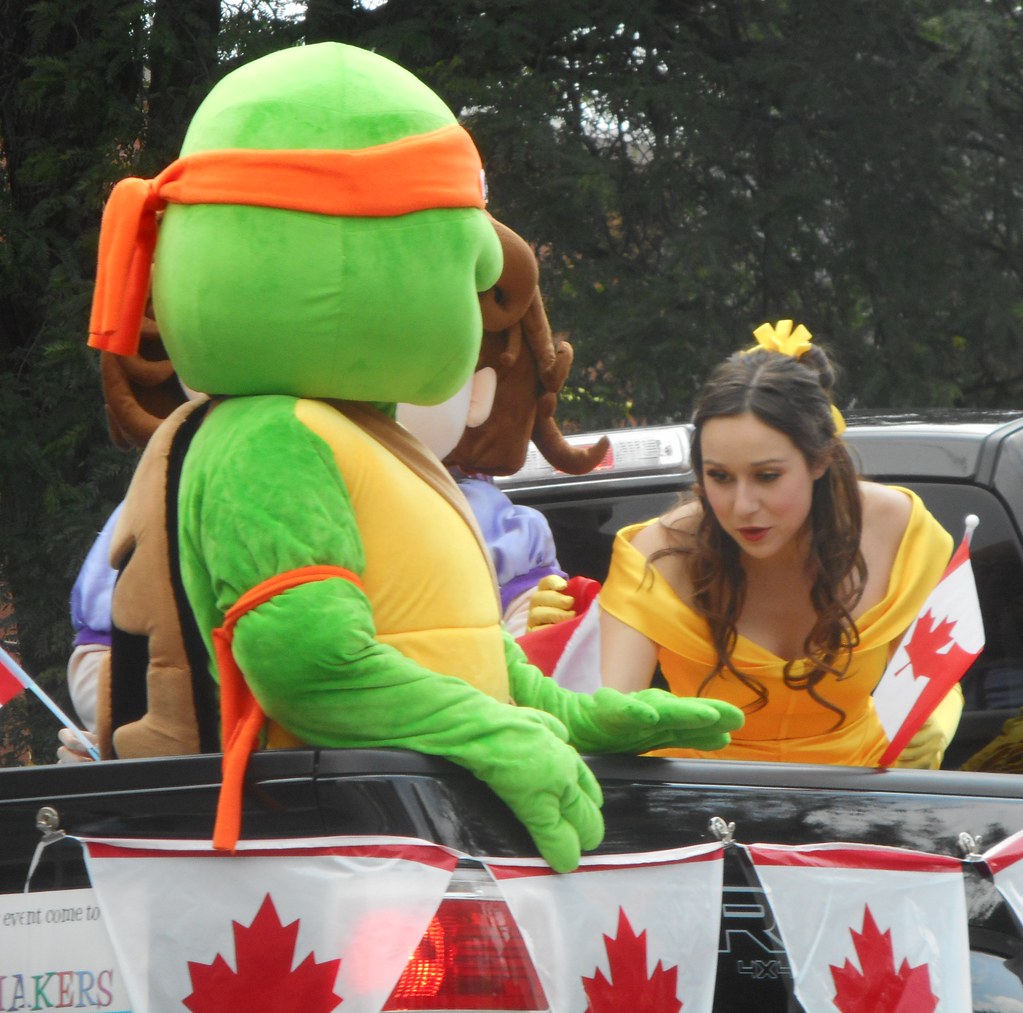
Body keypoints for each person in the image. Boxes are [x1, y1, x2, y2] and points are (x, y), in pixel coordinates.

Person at [541, 320, 962, 768]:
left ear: (820, 459)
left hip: (861, 805)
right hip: (705, 811)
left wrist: (936, 716)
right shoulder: (658, 553)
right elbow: (607, 720)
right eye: (719, 477)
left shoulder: (897, 528)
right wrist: (543, 659)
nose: (742, 505)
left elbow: (937, 667)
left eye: (767, 476)